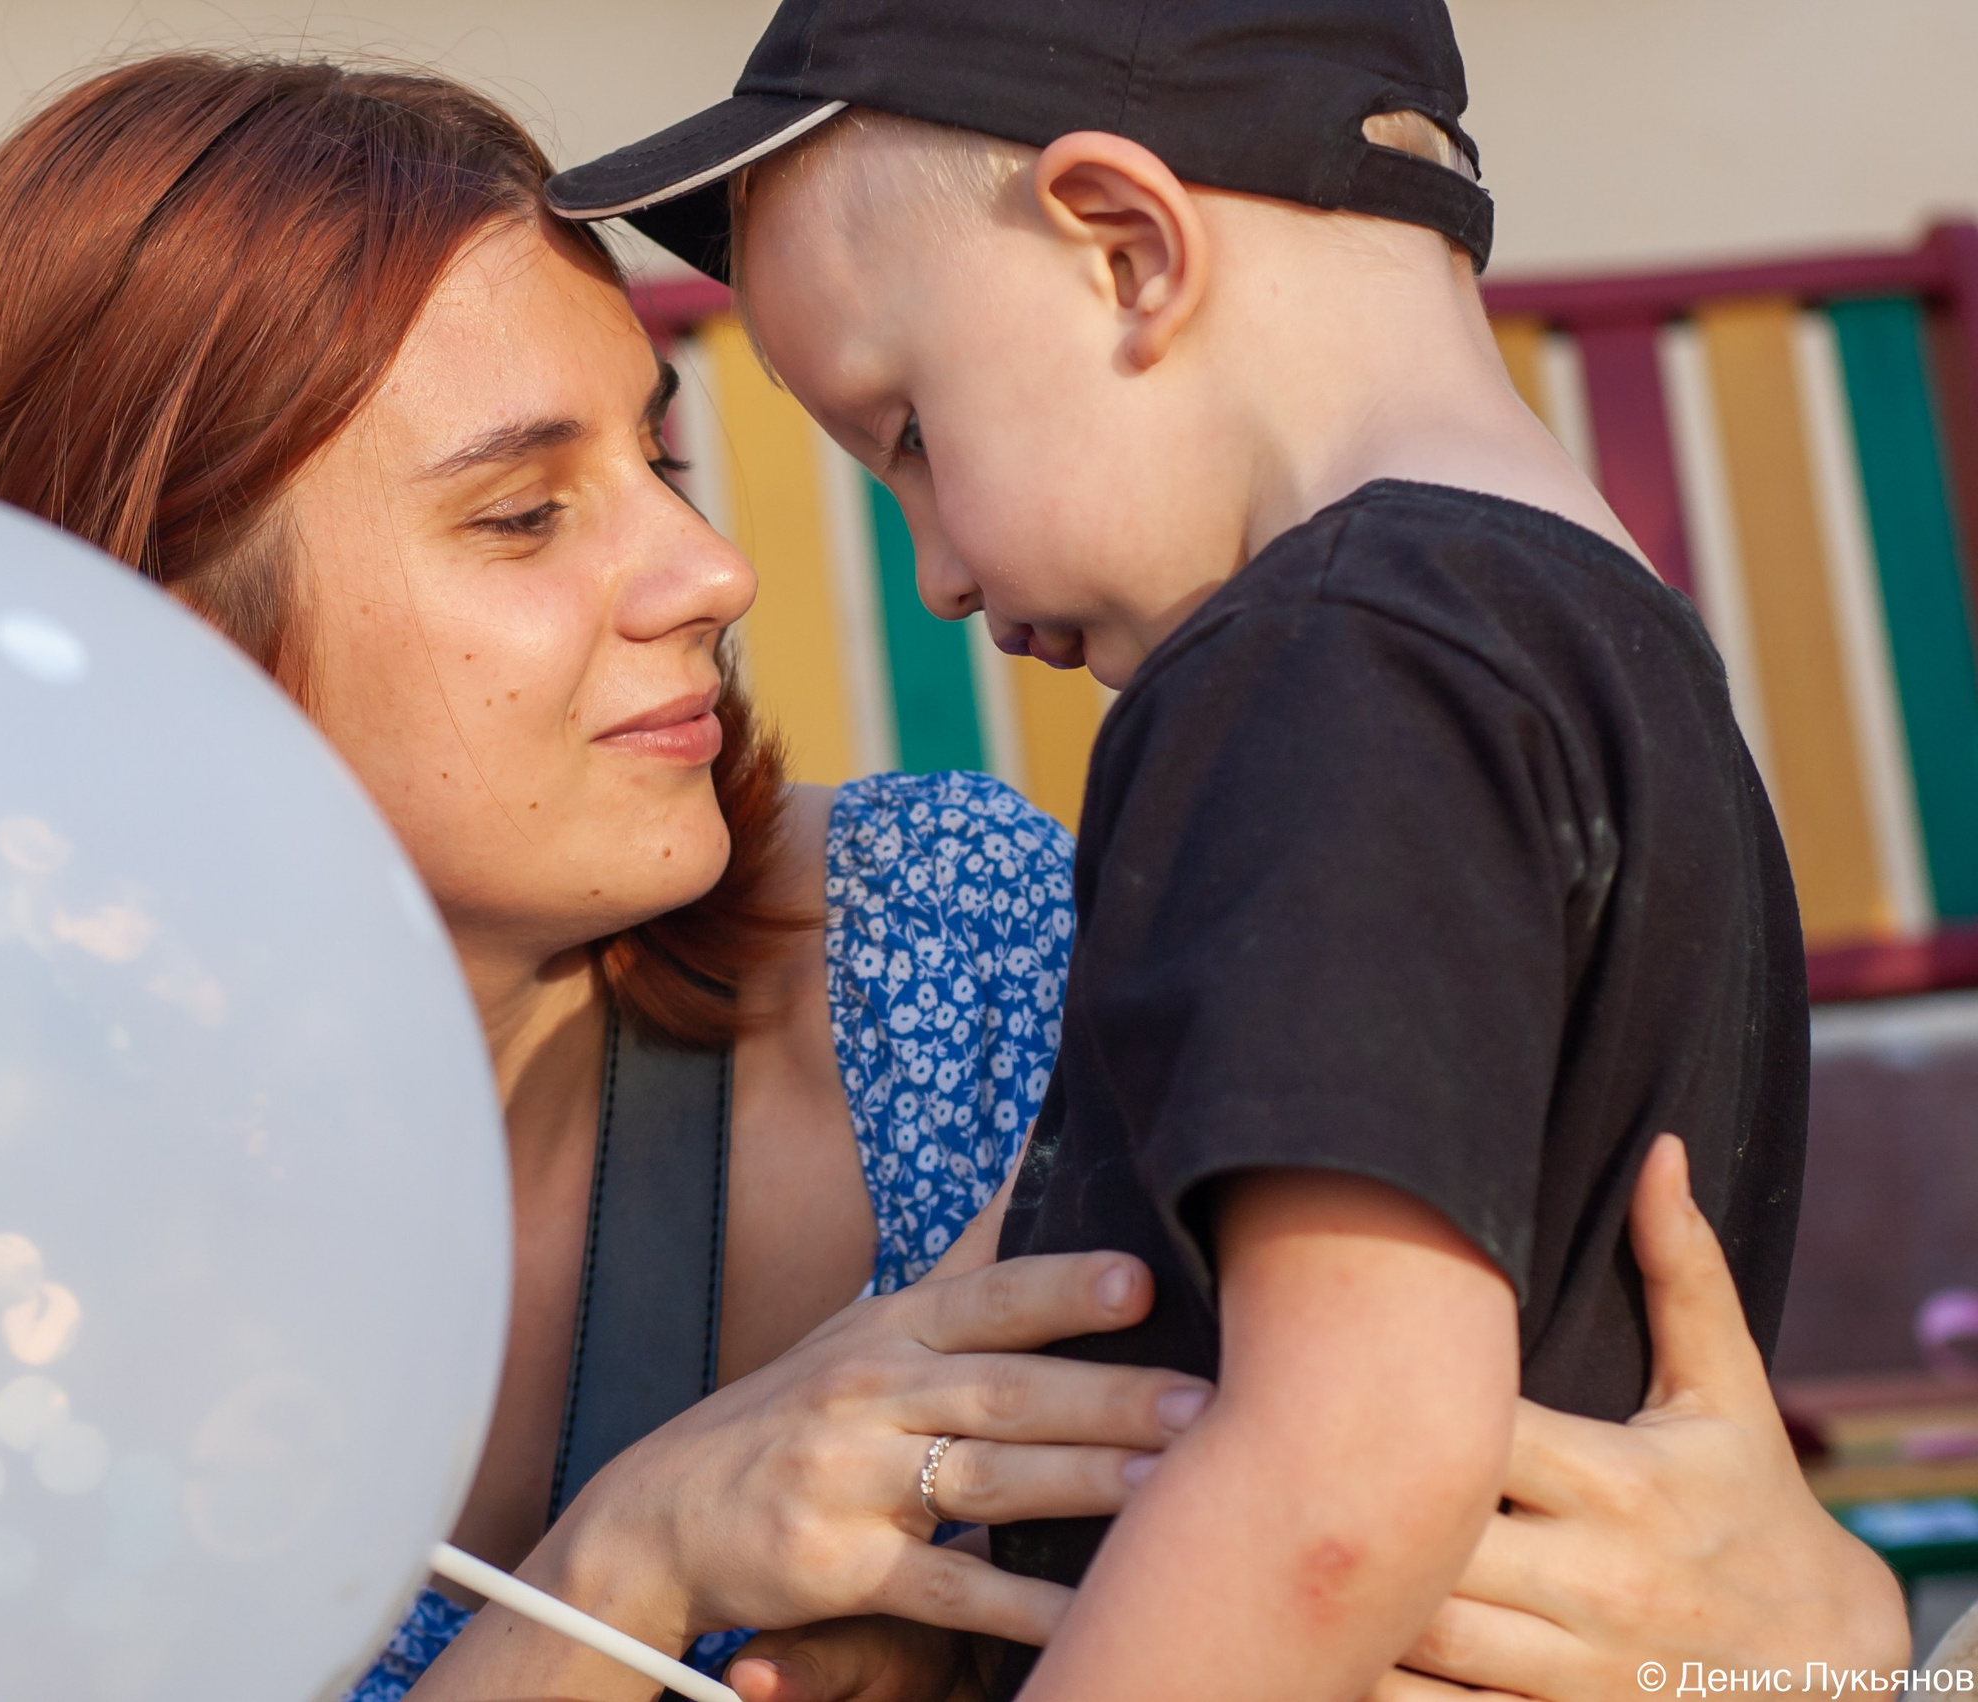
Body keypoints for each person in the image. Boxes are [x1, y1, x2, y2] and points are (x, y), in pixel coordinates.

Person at [0, 53, 1903, 1702]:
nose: (712, 572)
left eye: (655, 464)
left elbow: (1387, 1479)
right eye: (518, 512)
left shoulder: (952, 957)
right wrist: (620, 1576)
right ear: (155, 633)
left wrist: (1835, 1667)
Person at [549, 0, 1811, 1697]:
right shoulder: (1608, 661)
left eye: (909, 435)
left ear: (1129, 248)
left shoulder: (1315, 665)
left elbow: (1345, 1472)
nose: (935, 572)